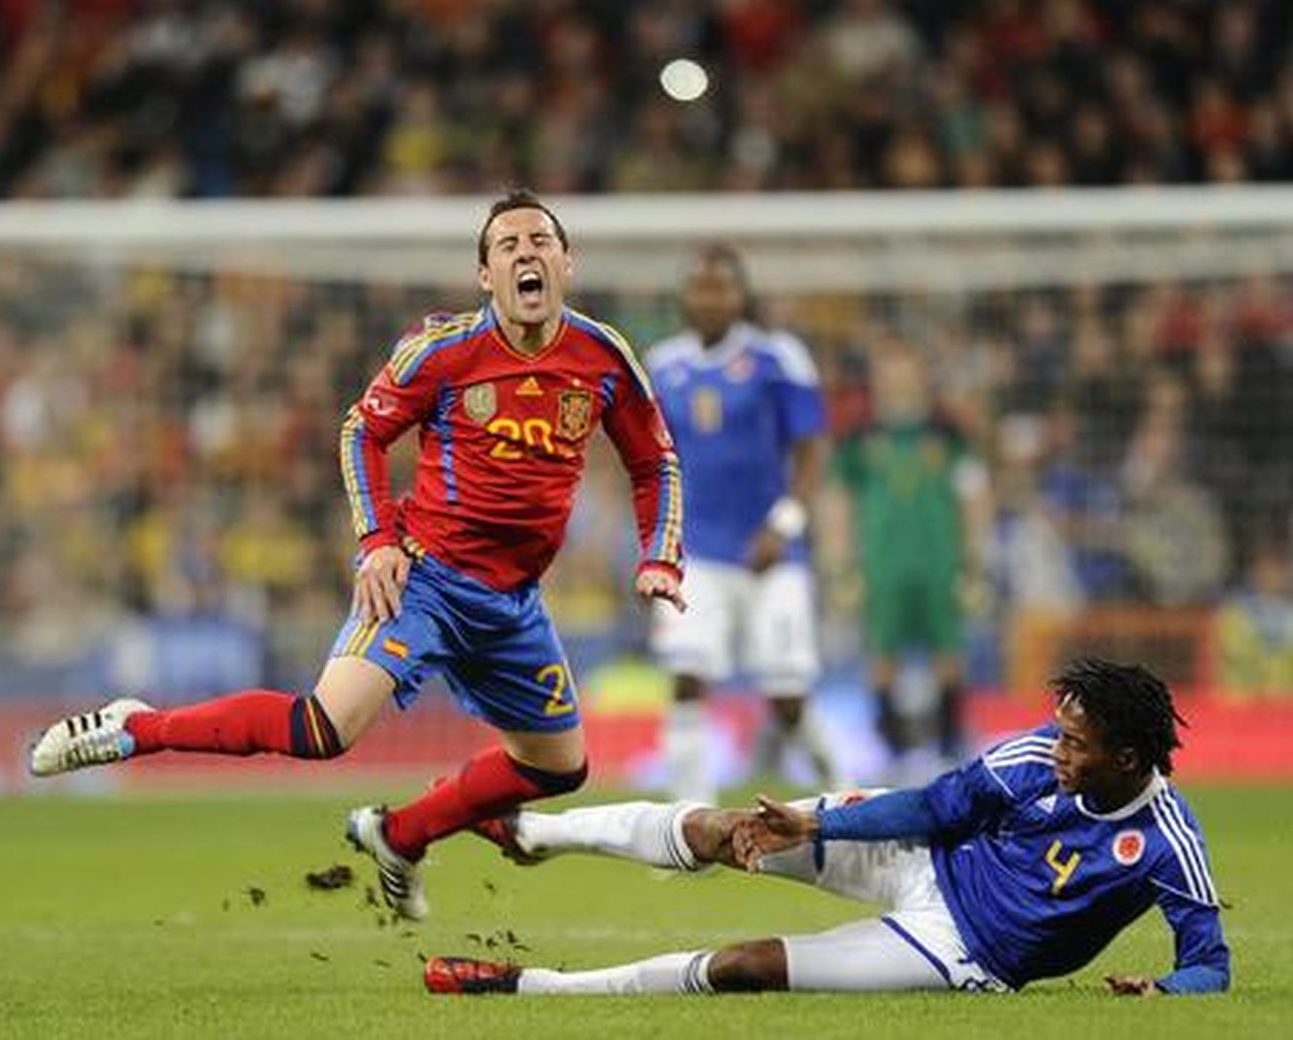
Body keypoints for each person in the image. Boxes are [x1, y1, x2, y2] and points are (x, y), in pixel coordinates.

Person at [28, 189, 686, 921]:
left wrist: (659, 555)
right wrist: (376, 543)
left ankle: (399, 835)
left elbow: (653, 461)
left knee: (558, 767)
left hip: (511, 602)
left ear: (567, 262)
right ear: (485, 275)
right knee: (323, 729)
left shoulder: (602, 356)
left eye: (540, 241)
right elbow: (361, 432)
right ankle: (135, 728)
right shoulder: (443, 352)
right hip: (424, 579)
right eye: (508, 245)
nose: (526, 253)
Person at [430, 658, 1229, 996]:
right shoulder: (1030, 756)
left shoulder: (1168, 843)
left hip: (961, 950)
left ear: (1127, 758)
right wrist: (814, 821)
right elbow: (933, 807)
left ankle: (532, 986)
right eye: (1060, 732)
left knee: (745, 966)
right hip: (922, 855)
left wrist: (1165, 989)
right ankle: (537, 833)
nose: (1057, 748)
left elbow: (1210, 964)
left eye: (1076, 743)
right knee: (729, 828)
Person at [644, 245, 837, 805]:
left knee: (787, 698)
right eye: (699, 288)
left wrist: (786, 523)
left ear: (740, 295)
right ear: (685, 296)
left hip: (770, 552)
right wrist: (654, 546)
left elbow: (812, 448)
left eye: (721, 288)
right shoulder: (661, 366)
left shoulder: (779, 358)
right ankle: (690, 819)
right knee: (686, 680)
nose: (709, 299)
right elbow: (650, 462)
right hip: (696, 553)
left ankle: (847, 792)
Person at [822, 340, 991, 767]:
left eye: (905, 373)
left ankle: (950, 745)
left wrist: (977, 561)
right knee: (882, 655)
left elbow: (974, 497)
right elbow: (838, 501)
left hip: (941, 564)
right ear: (877, 381)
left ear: (921, 378)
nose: (897, 382)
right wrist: (840, 566)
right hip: (880, 567)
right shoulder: (858, 437)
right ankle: (893, 750)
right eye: (889, 374)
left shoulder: (948, 435)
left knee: (948, 653)